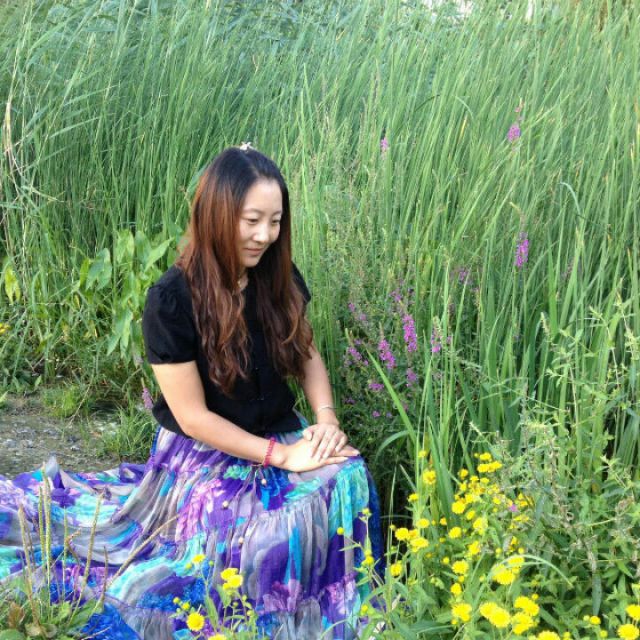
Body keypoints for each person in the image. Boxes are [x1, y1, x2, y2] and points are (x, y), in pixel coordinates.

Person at [0, 145, 384, 640]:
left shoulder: (278, 276)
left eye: (275, 222)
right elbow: (192, 417)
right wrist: (283, 457)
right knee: (250, 531)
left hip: (282, 432)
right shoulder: (171, 299)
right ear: (217, 214)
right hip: (205, 449)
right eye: (251, 220)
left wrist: (326, 423)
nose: (265, 235)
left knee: (348, 476)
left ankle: (329, 610)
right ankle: (260, 622)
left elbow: (307, 355)